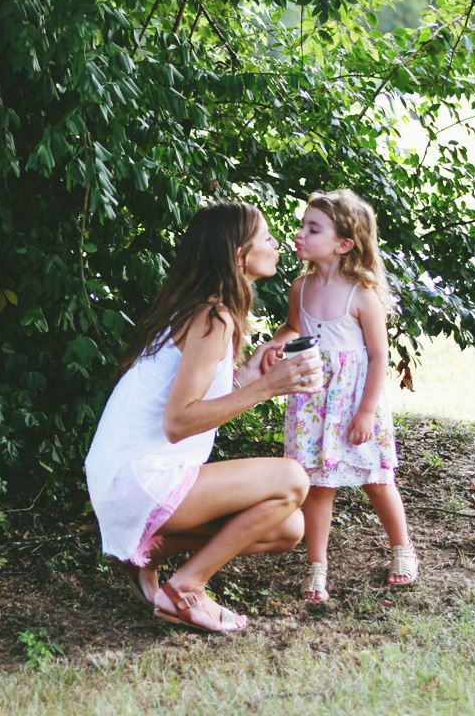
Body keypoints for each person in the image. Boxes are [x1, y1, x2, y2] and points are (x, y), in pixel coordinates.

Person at [84, 201, 324, 633]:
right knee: (293, 479)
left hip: (129, 480)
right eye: (265, 237)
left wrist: (249, 375)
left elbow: (191, 402)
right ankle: (187, 586)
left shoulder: (204, 311)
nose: (275, 243)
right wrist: (265, 388)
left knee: (289, 526)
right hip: (138, 480)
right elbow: (179, 422)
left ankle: (145, 554)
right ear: (238, 256)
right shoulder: (213, 317)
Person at [272, 189, 417, 602]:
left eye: (312, 228)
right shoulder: (300, 286)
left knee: (376, 479)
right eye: (302, 225)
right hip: (314, 401)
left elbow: (377, 358)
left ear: (343, 244)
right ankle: (317, 567)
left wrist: (367, 411)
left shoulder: (362, 295)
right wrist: (275, 345)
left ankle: (402, 549)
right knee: (317, 486)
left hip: (354, 402)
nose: (300, 233)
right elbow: (293, 328)